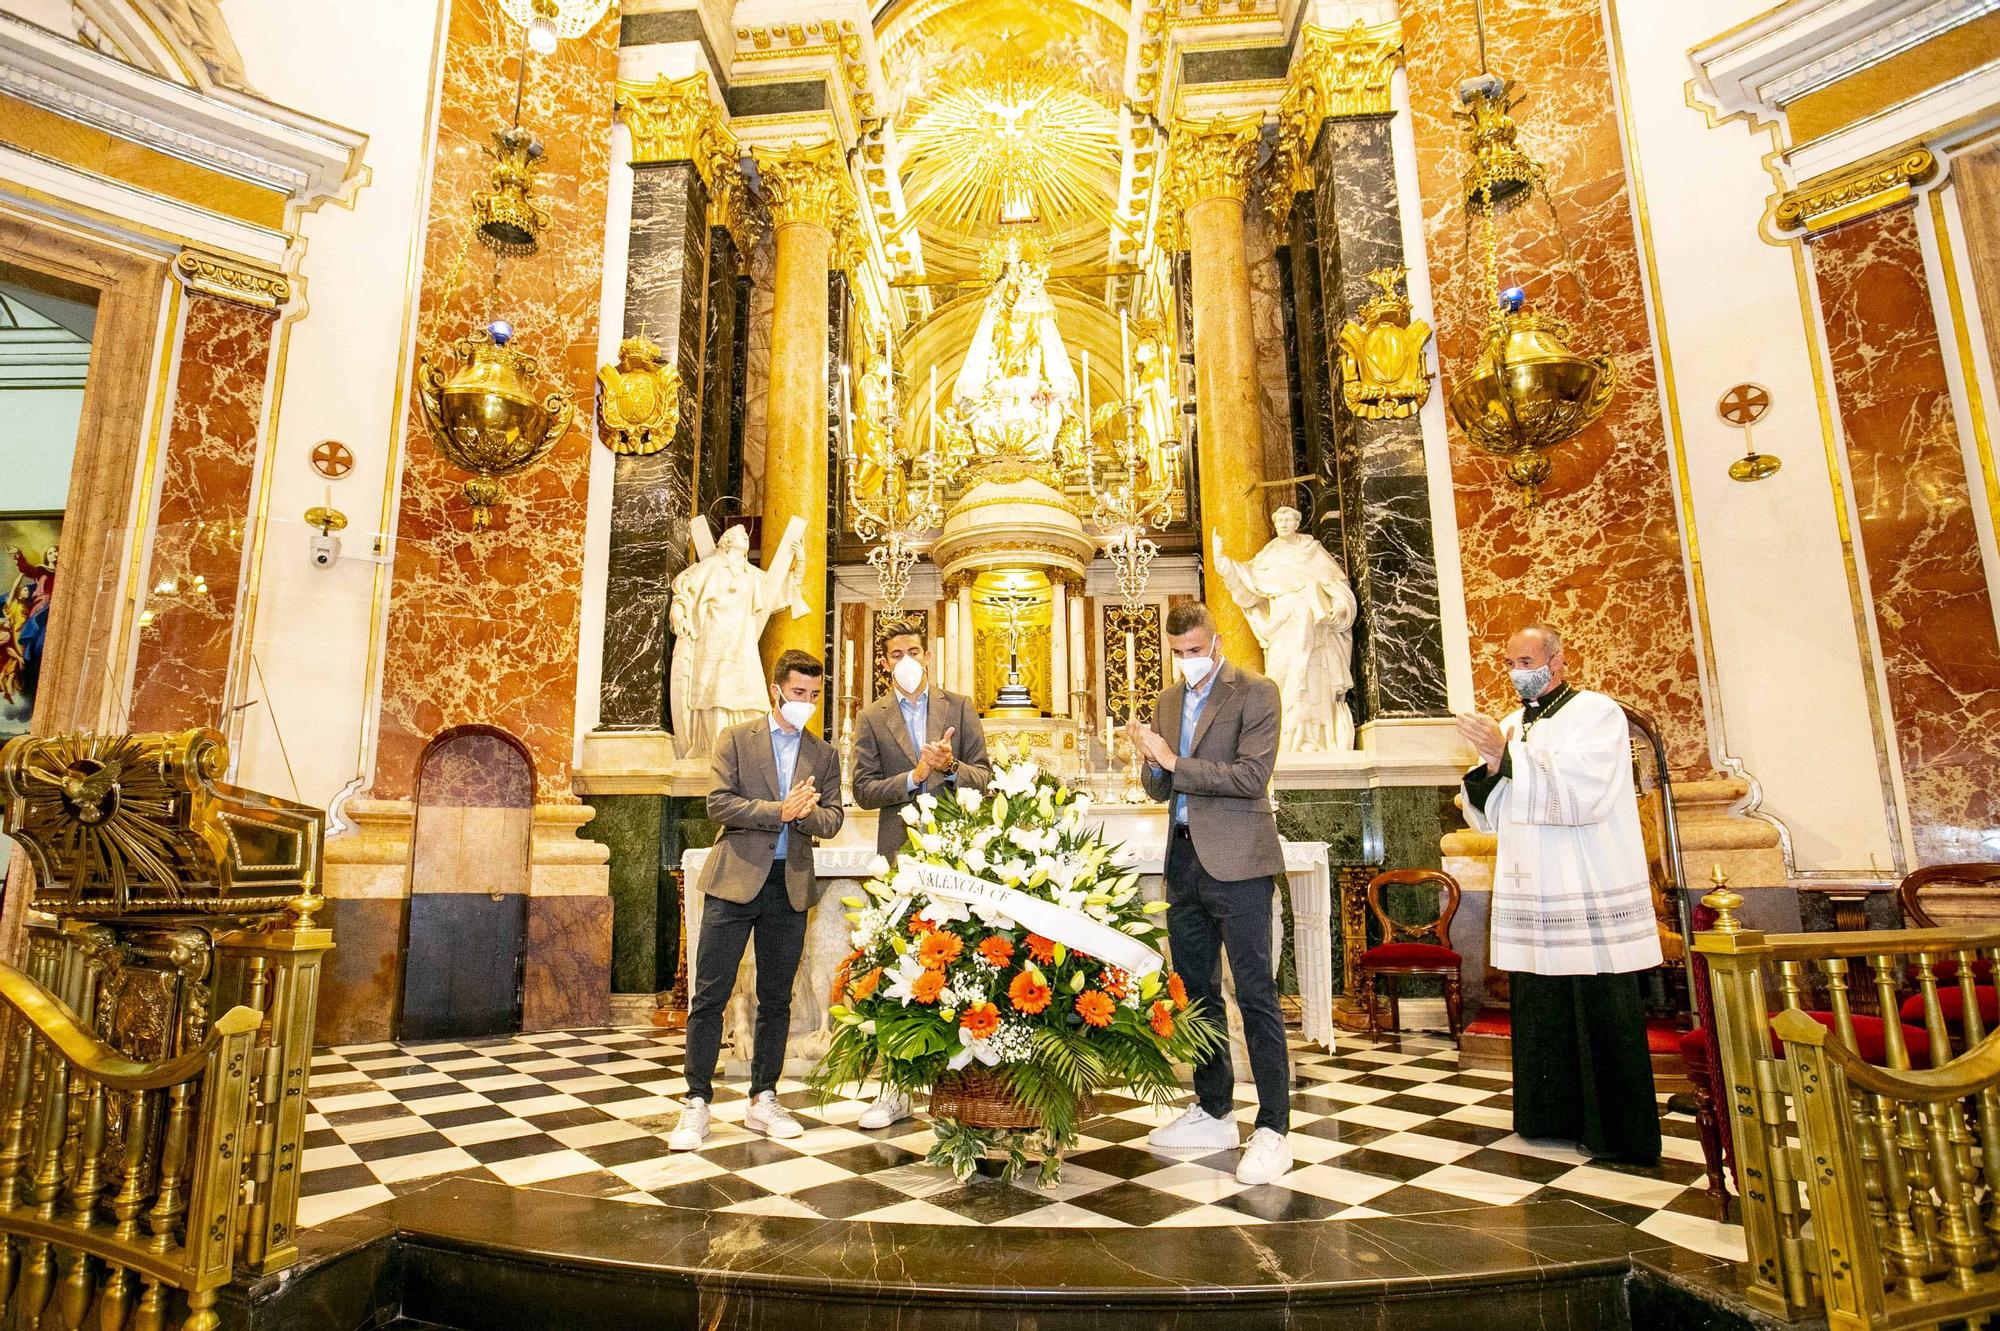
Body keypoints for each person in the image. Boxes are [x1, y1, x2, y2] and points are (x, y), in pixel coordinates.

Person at [1455, 623, 1662, 1164]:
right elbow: (1487, 812)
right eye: (1511, 663)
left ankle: (1615, 1130)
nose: (1519, 672)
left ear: (1558, 661)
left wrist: (1509, 758)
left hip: (1586, 881)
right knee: (1540, 999)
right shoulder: (1511, 725)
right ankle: (1548, 1116)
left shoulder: (1596, 713)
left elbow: (1585, 790)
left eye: (1528, 660)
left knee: (1598, 999)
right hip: (1533, 884)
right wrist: (1491, 765)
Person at [1126, 602, 1293, 1186]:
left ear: (1216, 642)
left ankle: (1274, 1128)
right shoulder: (1169, 701)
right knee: (1196, 992)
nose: (1187, 661)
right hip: (1185, 857)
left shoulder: (1256, 691)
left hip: (1241, 859)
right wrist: (1147, 757)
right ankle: (1216, 1108)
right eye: (1179, 653)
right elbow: (1158, 787)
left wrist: (1175, 760)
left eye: (1195, 650)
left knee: (1254, 993)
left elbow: (1252, 777)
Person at [670, 649, 844, 1151]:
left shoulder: (824, 754)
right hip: (735, 880)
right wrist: (779, 810)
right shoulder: (736, 740)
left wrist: (807, 816)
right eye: (797, 694)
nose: (806, 703)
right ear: (776, 691)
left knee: (777, 999)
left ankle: (763, 1097)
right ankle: (696, 1102)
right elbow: (718, 802)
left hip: (787, 885)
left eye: (814, 695)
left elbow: (830, 820)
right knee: (711, 995)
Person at [847, 616, 993, 1129]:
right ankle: (895, 1087)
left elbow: (987, 777)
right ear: (884, 662)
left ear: (928, 654)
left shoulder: (959, 707)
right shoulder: (871, 717)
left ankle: (962, 1085)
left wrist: (951, 767)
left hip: (958, 853)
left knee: (958, 966)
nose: (906, 661)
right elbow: (863, 790)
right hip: (899, 857)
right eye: (895, 654)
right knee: (895, 968)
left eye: (914, 650)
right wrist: (915, 775)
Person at [1212, 508, 1357, 753]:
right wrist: (1222, 562)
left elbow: (1338, 587)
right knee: (1280, 679)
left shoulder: (1312, 552)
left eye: (1287, 519)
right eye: (1278, 520)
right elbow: (1249, 586)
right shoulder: (1270, 556)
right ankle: (1287, 738)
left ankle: (1313, 737)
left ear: (1297, 522)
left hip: (1314, 629)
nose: (1282, 523)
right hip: (1282, 629)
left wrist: (1341, 606)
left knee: (1312, 679)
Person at [668, 523, 802, 759]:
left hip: (742, 644)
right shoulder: (708, 568)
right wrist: (679, 615)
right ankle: (714, 750)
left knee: (748, 691)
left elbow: (782, 591)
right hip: (713, 640)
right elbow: (684, 594)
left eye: (745, 535)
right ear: (726, 542)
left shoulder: (751, 575)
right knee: (715, 693)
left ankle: (747, 752)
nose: (744, 536)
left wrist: (799, 564)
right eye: (738, 534)